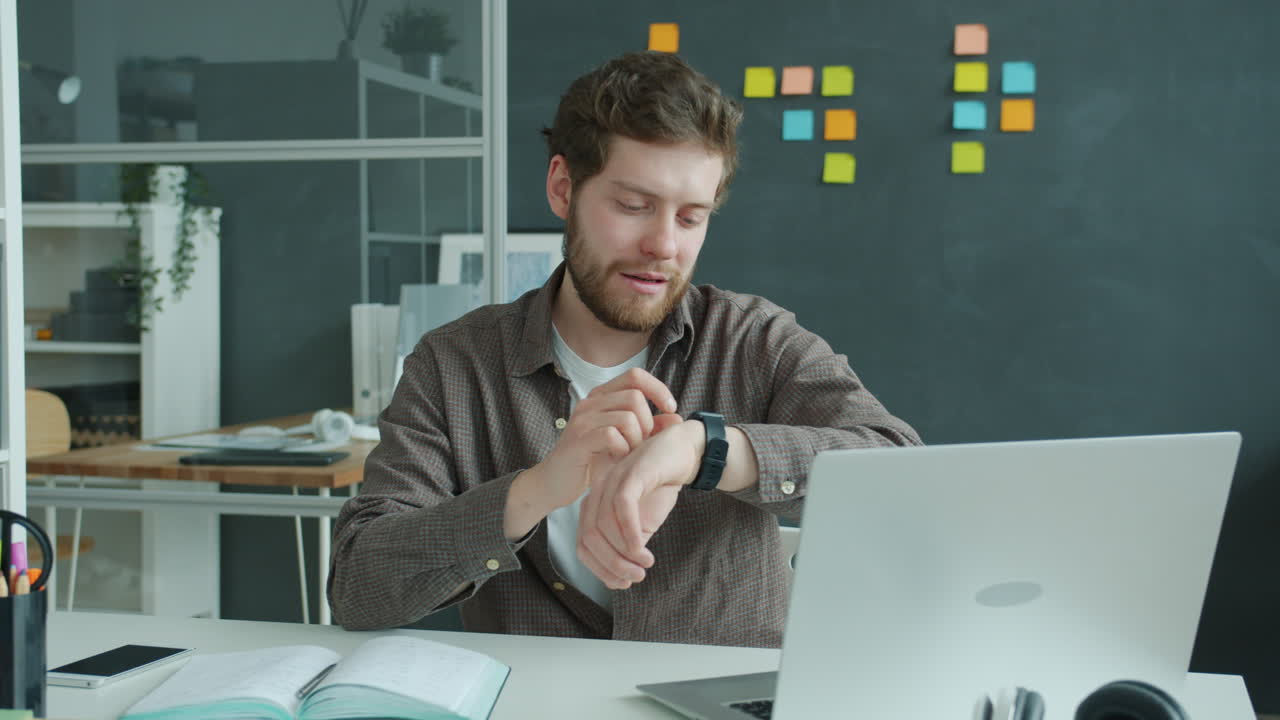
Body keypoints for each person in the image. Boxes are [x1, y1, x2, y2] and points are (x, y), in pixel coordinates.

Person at [329, 51, 921, 647]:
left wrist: (706, 450)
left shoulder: (753, 340)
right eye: (633, 206)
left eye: (691, 218)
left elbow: (901, 473)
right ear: (563, 188)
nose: (662, 245)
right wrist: (534, 490)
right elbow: (358, 587)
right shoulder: (454, 365)